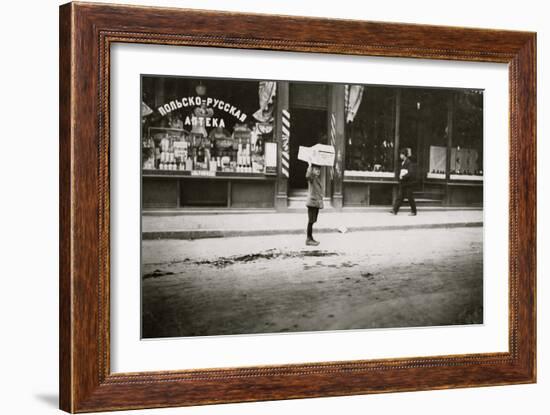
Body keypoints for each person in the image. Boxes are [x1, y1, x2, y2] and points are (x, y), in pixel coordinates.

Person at [391, 149, 417, 216]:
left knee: (410, 197)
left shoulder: (409, 163)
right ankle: (395, 210)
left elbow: (410, 173)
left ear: (404, 155)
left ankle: (414, 211)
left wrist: (403, 176)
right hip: (403, 183)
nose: (400, 156)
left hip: (408, 183)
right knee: (400, 197)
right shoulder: (403, 162)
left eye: (401, 154)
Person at [305, 161, 324, 246]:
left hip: (316, 203)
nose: (318, 171)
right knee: (310, 221)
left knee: (312, 221)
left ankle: (311, 238)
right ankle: (308, 239)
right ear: (312, 170)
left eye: (319, 169)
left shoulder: (316, 178)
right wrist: (309, 165)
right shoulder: (312, 178)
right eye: (316, 169)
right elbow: (308, 175)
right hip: (312, 202)